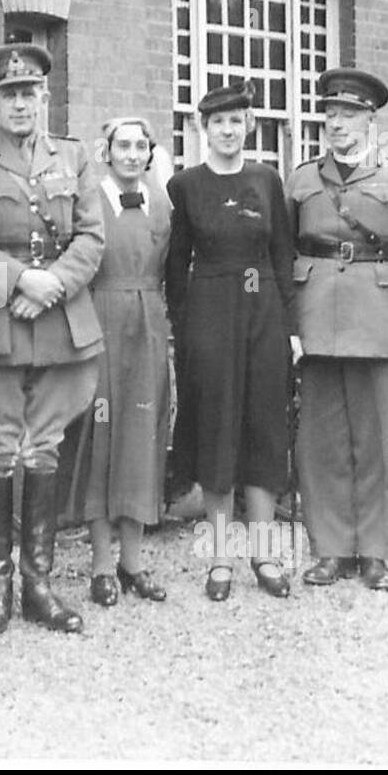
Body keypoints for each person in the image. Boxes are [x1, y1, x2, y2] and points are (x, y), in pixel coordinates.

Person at [0, 43, 104, 635]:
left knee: (44, 446)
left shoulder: (74, 155)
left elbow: (92, 237)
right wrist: (21, 279)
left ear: (43, 97)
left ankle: (40, 585)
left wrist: (51, 285)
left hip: (59, 318)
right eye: (8, 94)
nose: (19, 103)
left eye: (28, 93)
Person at [285, 68, 388, 592]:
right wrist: (289, 328)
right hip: (317, 319)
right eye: (329, 115)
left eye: (348, 115)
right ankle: (330, 549)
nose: (337, 124)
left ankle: (374, 551)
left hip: (380, 320)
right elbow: (283, 254)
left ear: (370, 119)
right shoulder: (302, 178)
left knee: (375, 440)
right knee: (321, 442)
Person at [167, 81, 297, 602]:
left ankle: (264, 554)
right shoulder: (185, 186)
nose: (227, 130)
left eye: (236, 121)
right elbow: (176, 265)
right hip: (210, 313)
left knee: (263, 428)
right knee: (218, 429)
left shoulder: (266, 180)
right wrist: (185, 327)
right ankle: (220, 556)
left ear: (249, 126)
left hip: (263, 309)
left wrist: (290, 327)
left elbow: (284, 255)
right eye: (217, 122)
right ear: (203, 128)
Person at [72, 117, 172, 606]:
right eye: (122, 146)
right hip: (101, 320)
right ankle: (101, 566)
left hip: (149, 323)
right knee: (102, 438)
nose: (132, 154)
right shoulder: (90, 200)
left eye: (140, 146)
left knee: (142, 437)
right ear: (106, 152)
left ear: (149, 153)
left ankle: (133, 563)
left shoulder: (162, 201)